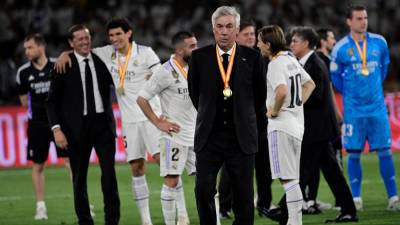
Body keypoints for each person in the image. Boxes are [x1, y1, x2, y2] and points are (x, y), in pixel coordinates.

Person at [56, 18, 163, 225]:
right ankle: (146, 221)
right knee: (136, 169)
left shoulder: (146, 53)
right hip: (130, 123)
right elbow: (81, 50)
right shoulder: (105, 53)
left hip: (152, 117)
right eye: (111, 35)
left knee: (165, 166)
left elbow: (163, 78)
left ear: (129, 33)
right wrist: (64, 54)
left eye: (118, 34)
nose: (114, 39)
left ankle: (181, 215)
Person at [188, 6, 267, 225]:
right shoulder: (198, 57)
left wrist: (245, 117)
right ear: (213, 30)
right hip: (209, 137)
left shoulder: (253, 58)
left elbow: (259, 97)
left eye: (229, 27)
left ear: (237, 29)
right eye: (220, 27)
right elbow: (196, 95)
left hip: (241, 137)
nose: (224, 32)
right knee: (203, 190)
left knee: (243, 196)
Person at [47, 24, 120, 225]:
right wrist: (56, 129)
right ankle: (84, 220)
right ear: (71, 43)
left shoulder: (102, 59)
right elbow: (51, 101)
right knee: (79, 179)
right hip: (75, 129)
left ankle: (112, 221)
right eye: (79, 39)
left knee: (109, 176)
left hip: (103, 126)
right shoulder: (63, 64)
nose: (84, 41)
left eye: (86, 37)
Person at [330, 4, 400, 211]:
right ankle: (357, 198)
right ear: (349, 21)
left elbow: (384, 68)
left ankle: (393, 197)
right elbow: (335, 79)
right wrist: (353, 94)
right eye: (359, 18)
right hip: (353, 110)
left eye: (365, 18)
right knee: (353, 153)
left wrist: (372, 90)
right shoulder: (340, 48)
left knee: (385, 151)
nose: (364, 21)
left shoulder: (380, 42)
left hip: (377, 108)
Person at [290, 26, 357, 223]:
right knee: (331, 172)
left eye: (295, 40)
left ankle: (285, 211)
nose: (291, 44)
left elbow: (317, 97)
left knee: (302, 171)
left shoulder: (314, 65)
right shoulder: (309, 63)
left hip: (316, 129)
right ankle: (349, 210)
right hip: (318, 129)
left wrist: (293, 102)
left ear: (305, 43)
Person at [137, 31, 197, 225]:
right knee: (171, 180)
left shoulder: (198, 67)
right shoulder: (164, 71)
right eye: (192, 46)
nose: (196, 49)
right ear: (179, 50)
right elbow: (142, 98)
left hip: (197, 135)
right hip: (174, 136)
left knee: (207, 182)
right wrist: (158, 122)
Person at [257, 24, 315, 225]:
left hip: (281, 126)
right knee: (292, 178)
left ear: (268, 44)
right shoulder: (290, 58)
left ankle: (294, 221)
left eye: (260, 42)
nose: (258, 45)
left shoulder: (275, 64)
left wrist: (273, 110)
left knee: (287, 179)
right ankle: (294, 220)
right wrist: (297, 105)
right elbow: (310, 84)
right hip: (297, 125)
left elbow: (281, 91)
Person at [217, 19, 274, 219]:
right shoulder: (228, 60)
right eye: (247, 34)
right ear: (238, 36)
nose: (251, 37)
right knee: (232, 167)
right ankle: (224, 206)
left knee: (264, 165)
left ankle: (264, 204)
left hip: (261, 119)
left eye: (253, 34)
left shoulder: (263, 58)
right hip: (238, 122)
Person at [16, 33, 71, 220]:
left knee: (71, 162)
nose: (27, 52)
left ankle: (82, 200)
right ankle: (40, 207)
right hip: (37, 125)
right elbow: (24, 102)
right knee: (38, 165)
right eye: (25, 48)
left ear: (41, 46)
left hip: (60, 124)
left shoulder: (58, 65)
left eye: (30, 47)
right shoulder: (23, 73)